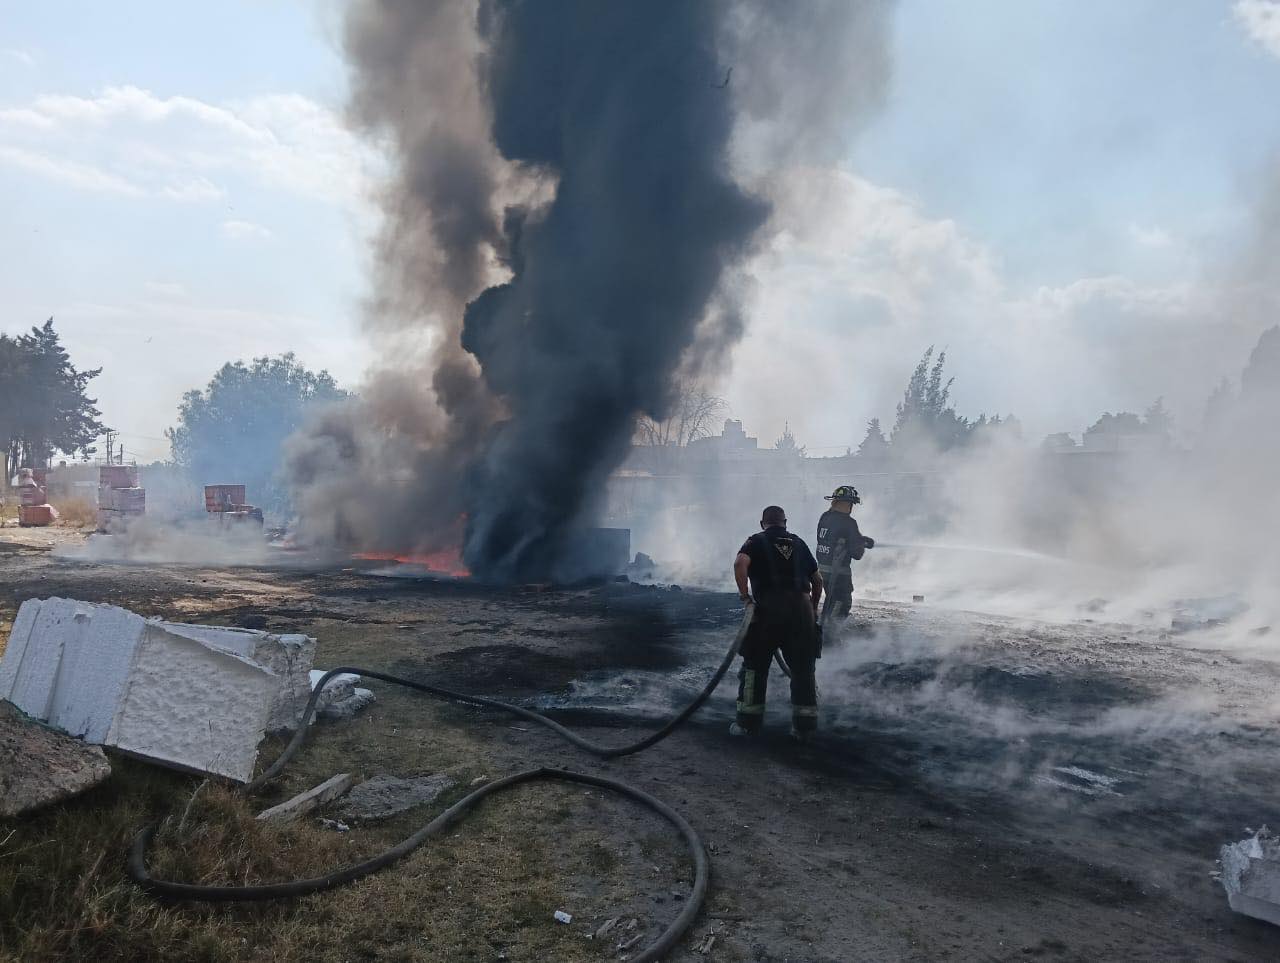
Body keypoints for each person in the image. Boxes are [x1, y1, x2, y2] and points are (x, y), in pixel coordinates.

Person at [731, 505, 823, 741]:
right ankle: (804, 729)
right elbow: (817, 580)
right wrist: (812, 609)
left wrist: (745, 598)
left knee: (755, 668)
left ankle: (748, 725)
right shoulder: (799, 543)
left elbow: (740, 564)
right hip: (802, 612)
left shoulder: (755, 541)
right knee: (803, 671)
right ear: (785, 522)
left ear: (763, 523)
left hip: (768, 611)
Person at [815, 485, 875, 625]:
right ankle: (829, 633)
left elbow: (836, 539)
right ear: (846, 503)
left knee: (830, 601)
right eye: (851, 504)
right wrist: (861, 544)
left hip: (823, 572)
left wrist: (860, 539)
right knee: (840, 604)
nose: (851, 507)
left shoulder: (825, 517)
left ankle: (822, 628)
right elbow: (856, 554)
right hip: (839, 574)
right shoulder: (849, 523)